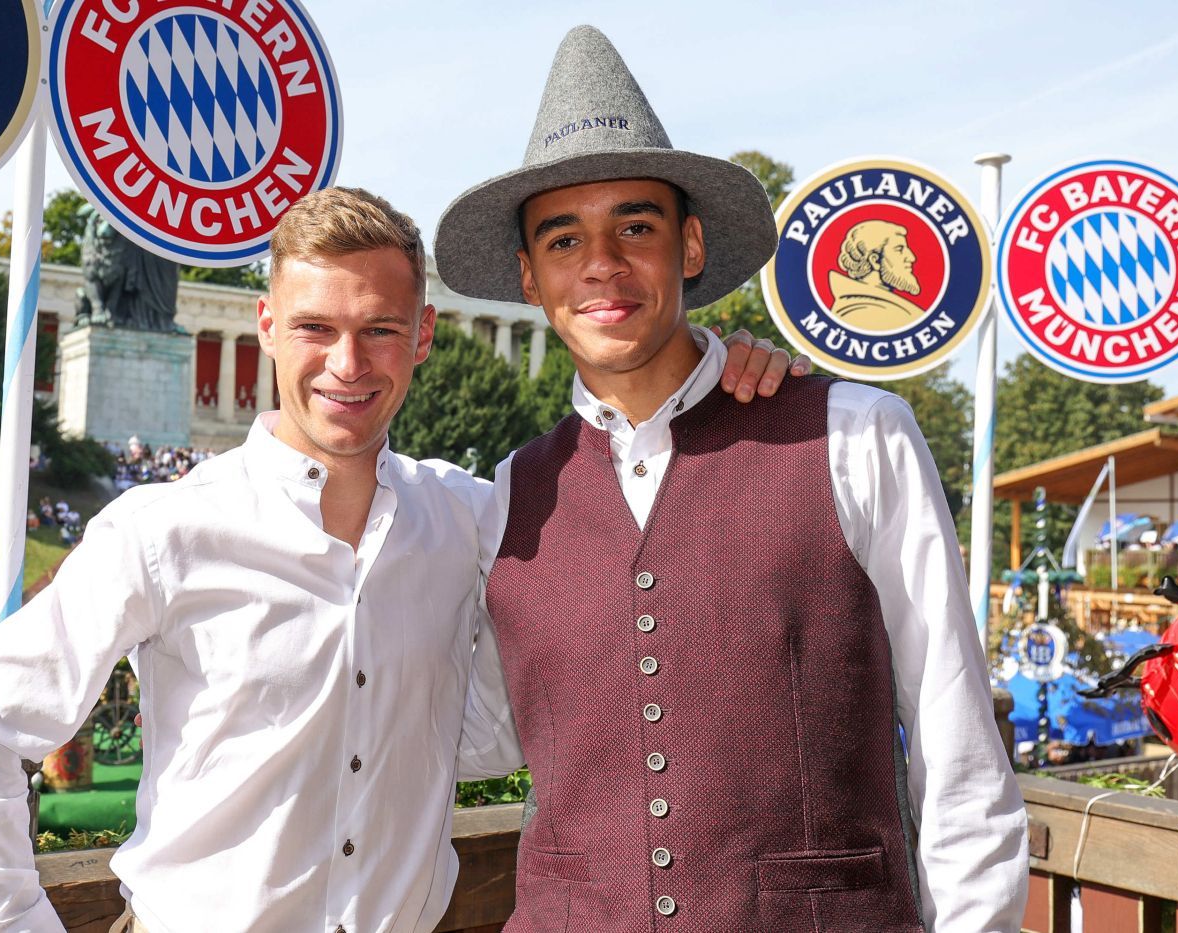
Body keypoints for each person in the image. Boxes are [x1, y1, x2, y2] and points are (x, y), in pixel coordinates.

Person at [0, 186, 802, 932]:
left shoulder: (471, 516)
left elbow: (615, 542)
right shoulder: (165, 529)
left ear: (421, 336)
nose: (347, 363)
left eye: (380, 329)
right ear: (266, 326)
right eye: (315, 328)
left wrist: (722, 378)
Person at [432, 26, 1026, 932]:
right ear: (529, 276)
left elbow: (956, 749)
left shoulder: (853, 433)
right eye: (563, 239)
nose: (601, 262)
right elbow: (489, 730)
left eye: (635, 225)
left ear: (691, 245)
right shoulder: (512, 491)